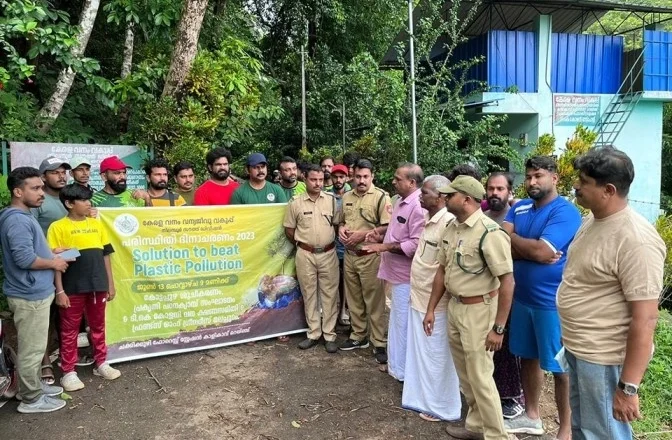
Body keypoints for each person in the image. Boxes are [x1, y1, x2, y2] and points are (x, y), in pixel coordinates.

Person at [557, 146, 666, 440]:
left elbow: (645, 319)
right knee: (583, 429)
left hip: (604, 359)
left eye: (583, 181)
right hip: (579, 348)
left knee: (603, 433)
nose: (575, 186)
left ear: (608, 189)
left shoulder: (636, 240)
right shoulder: (592, 220)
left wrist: (628, 387)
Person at [423, 175, 514, 440]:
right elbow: (442, 271)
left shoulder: (489, 232)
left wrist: (498, 328)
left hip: (480, 310)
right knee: (466, 375)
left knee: (482, 378)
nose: (445, 198)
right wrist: (431, 309)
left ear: (467, 200)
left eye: (450, 195)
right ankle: (476, 426)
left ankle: (498, 436)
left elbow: (507, 282)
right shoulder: (453, 227)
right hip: (456, 308)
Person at [502, 156, 581, 440]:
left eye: (538, 176)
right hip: (521, 299)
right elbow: (504, 245)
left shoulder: (566, 212)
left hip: (551, 303)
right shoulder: (520, 207)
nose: (532, 182)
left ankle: (566, 429)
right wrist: (531, 249)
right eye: (529, 177)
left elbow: (541, 252)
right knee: (528, 358)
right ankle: (532, 416)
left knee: (561, 368)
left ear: (555, 178)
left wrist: (525, 248)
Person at [0, 167, 68, 413]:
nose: (41, 193)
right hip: (29, 295)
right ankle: (31, 399)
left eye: (41, 187)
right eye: (35, 188)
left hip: (33, 292)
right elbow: (23, 259)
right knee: (32, 350)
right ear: (18, 191)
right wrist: (53, 262)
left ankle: (33, 386)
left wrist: (51, 253)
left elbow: (30, 251)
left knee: (36, 346)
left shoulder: (22, 215)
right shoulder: (17, 219)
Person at [47, 184, 121, 391]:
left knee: (98, 326)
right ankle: (69, 371)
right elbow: (56, 262)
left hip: (98, 285)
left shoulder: (97, 225)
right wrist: (59, 290)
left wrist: (110, 284)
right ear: (69, 204)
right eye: (84, 200)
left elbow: (106, 255)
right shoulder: (57, 227)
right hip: (72, 287)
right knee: (69, 330)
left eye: (89, 199)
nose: (89, 203)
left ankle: (101, 363)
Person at [401, 175, 462, 423]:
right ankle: (423, 398)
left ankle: (442, 405)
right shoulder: (429, 219)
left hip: (435, 303)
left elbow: (444, 269)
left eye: (424, 192)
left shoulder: (448, 223)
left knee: (438, 355)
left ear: (439, 197)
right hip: (420, 296)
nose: (420, 196)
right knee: (424, 353)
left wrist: (432, 306)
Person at [362, 163, 425, 380]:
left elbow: (416, 245)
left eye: (398, 179)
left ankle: (405, 372)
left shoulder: (418, 205)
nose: (393, 181)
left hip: (407, 277)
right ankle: (396, 367)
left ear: (412, 182)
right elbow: (395, 231)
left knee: (404, 324)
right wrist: (379, 236)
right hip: (394, 274)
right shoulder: (400, 201)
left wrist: (384, 246)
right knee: (397, 322)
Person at [338, 159, 391, 364]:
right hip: (350, 256)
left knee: (375, 301)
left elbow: (388, 228)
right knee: (354, 299)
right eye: (358, 176)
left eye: (365, 177)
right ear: (353, 176)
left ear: (372, 177)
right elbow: (342, 220)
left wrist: (363, 235)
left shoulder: (381, 197)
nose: (361, 181)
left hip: (370, 256)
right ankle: (358, 336)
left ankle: (378, 341)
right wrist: (341, 228)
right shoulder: (347, 197)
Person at [283, 164, 341, 353]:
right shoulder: (295, 202)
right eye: (313, 180)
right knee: (309, 294)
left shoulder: (331, 201)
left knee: (330, 294)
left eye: (321, 180)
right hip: (305, 254)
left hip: (328, 253)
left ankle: (330, 335)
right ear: (304, 179)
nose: (318, 184)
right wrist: (304, 245)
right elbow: (289, 230)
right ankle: (314, 333)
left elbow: (337, 226)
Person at [484, 172, 524, 420]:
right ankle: (490, 392)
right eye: (491, 189)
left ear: (510, 192)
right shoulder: (483, 218)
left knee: (507, 345)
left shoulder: (517, 220)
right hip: (484, 292)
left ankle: (511, 397)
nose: (495, 193)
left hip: (509, 289)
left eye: (500, 189)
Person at [330, 164, 351, 326]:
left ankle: (343, 310)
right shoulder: (326, 196)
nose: (338, 180)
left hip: (348, 246)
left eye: (341, 177)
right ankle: (330, 312)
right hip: (331, 246)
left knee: (346, 281)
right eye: (335, 177)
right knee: (331, 280)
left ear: (346, 178)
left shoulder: (352, 196)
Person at [31, 157, 71, 235]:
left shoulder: (72, 197)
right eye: (55, 173)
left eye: (63, 172)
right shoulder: (36, 200)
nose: (61, 176)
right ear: (43, 177)